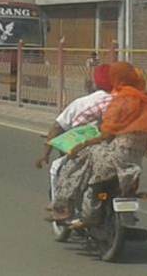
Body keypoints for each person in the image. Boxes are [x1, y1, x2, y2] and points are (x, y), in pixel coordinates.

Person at [50, 62, 147, 224]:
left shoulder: (122, 101)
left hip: (115, 157)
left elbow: (106, 135)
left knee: (78, 158)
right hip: (135, 159)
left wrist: (82, 145)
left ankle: (63, 206)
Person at [35, 64, 114, 203]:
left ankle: (61, 206)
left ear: (96, 82)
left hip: (86, 151)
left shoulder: (83, 103)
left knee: (59, 169)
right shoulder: (126, 100)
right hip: (118, 153)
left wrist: (45, 154)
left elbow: (57, 127)